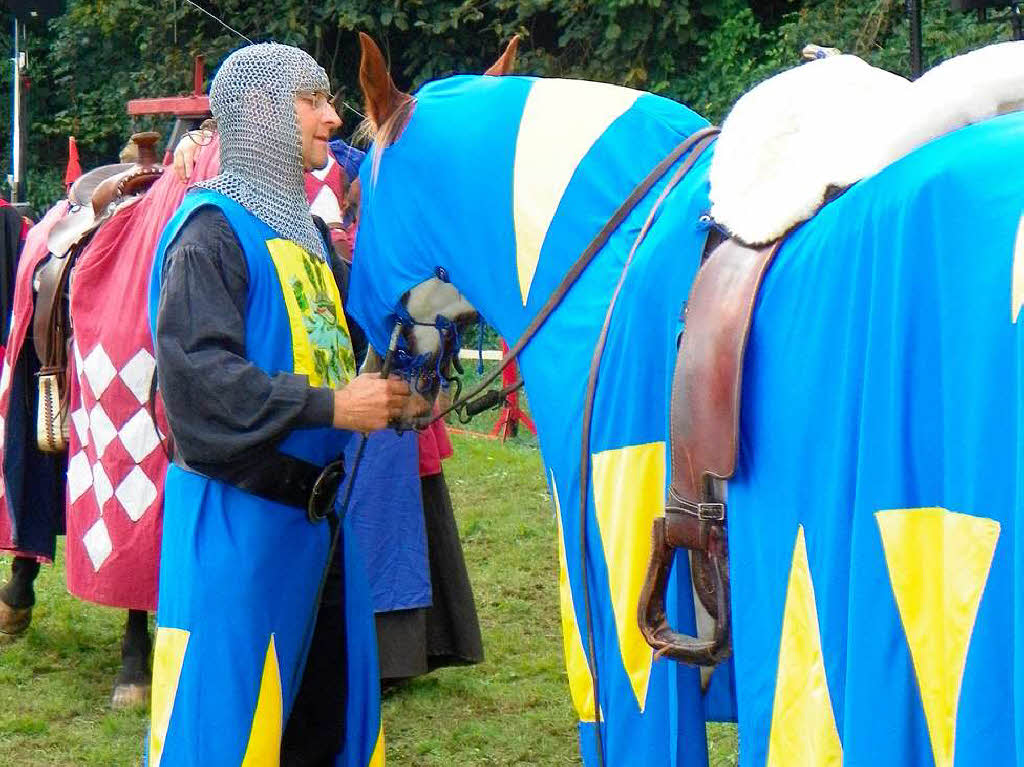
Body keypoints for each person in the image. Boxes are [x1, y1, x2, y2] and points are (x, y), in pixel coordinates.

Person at [147, 42, 416, 765]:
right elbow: (198, 386)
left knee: (322, 735)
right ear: (262, 109)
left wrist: (416, 356)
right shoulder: (209, 233)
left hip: (319, 533)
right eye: (313, 99)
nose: (334, 116)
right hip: (238, 530)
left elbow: (364, 329)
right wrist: (333, 407)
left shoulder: (311, 238)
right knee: (229, 736)